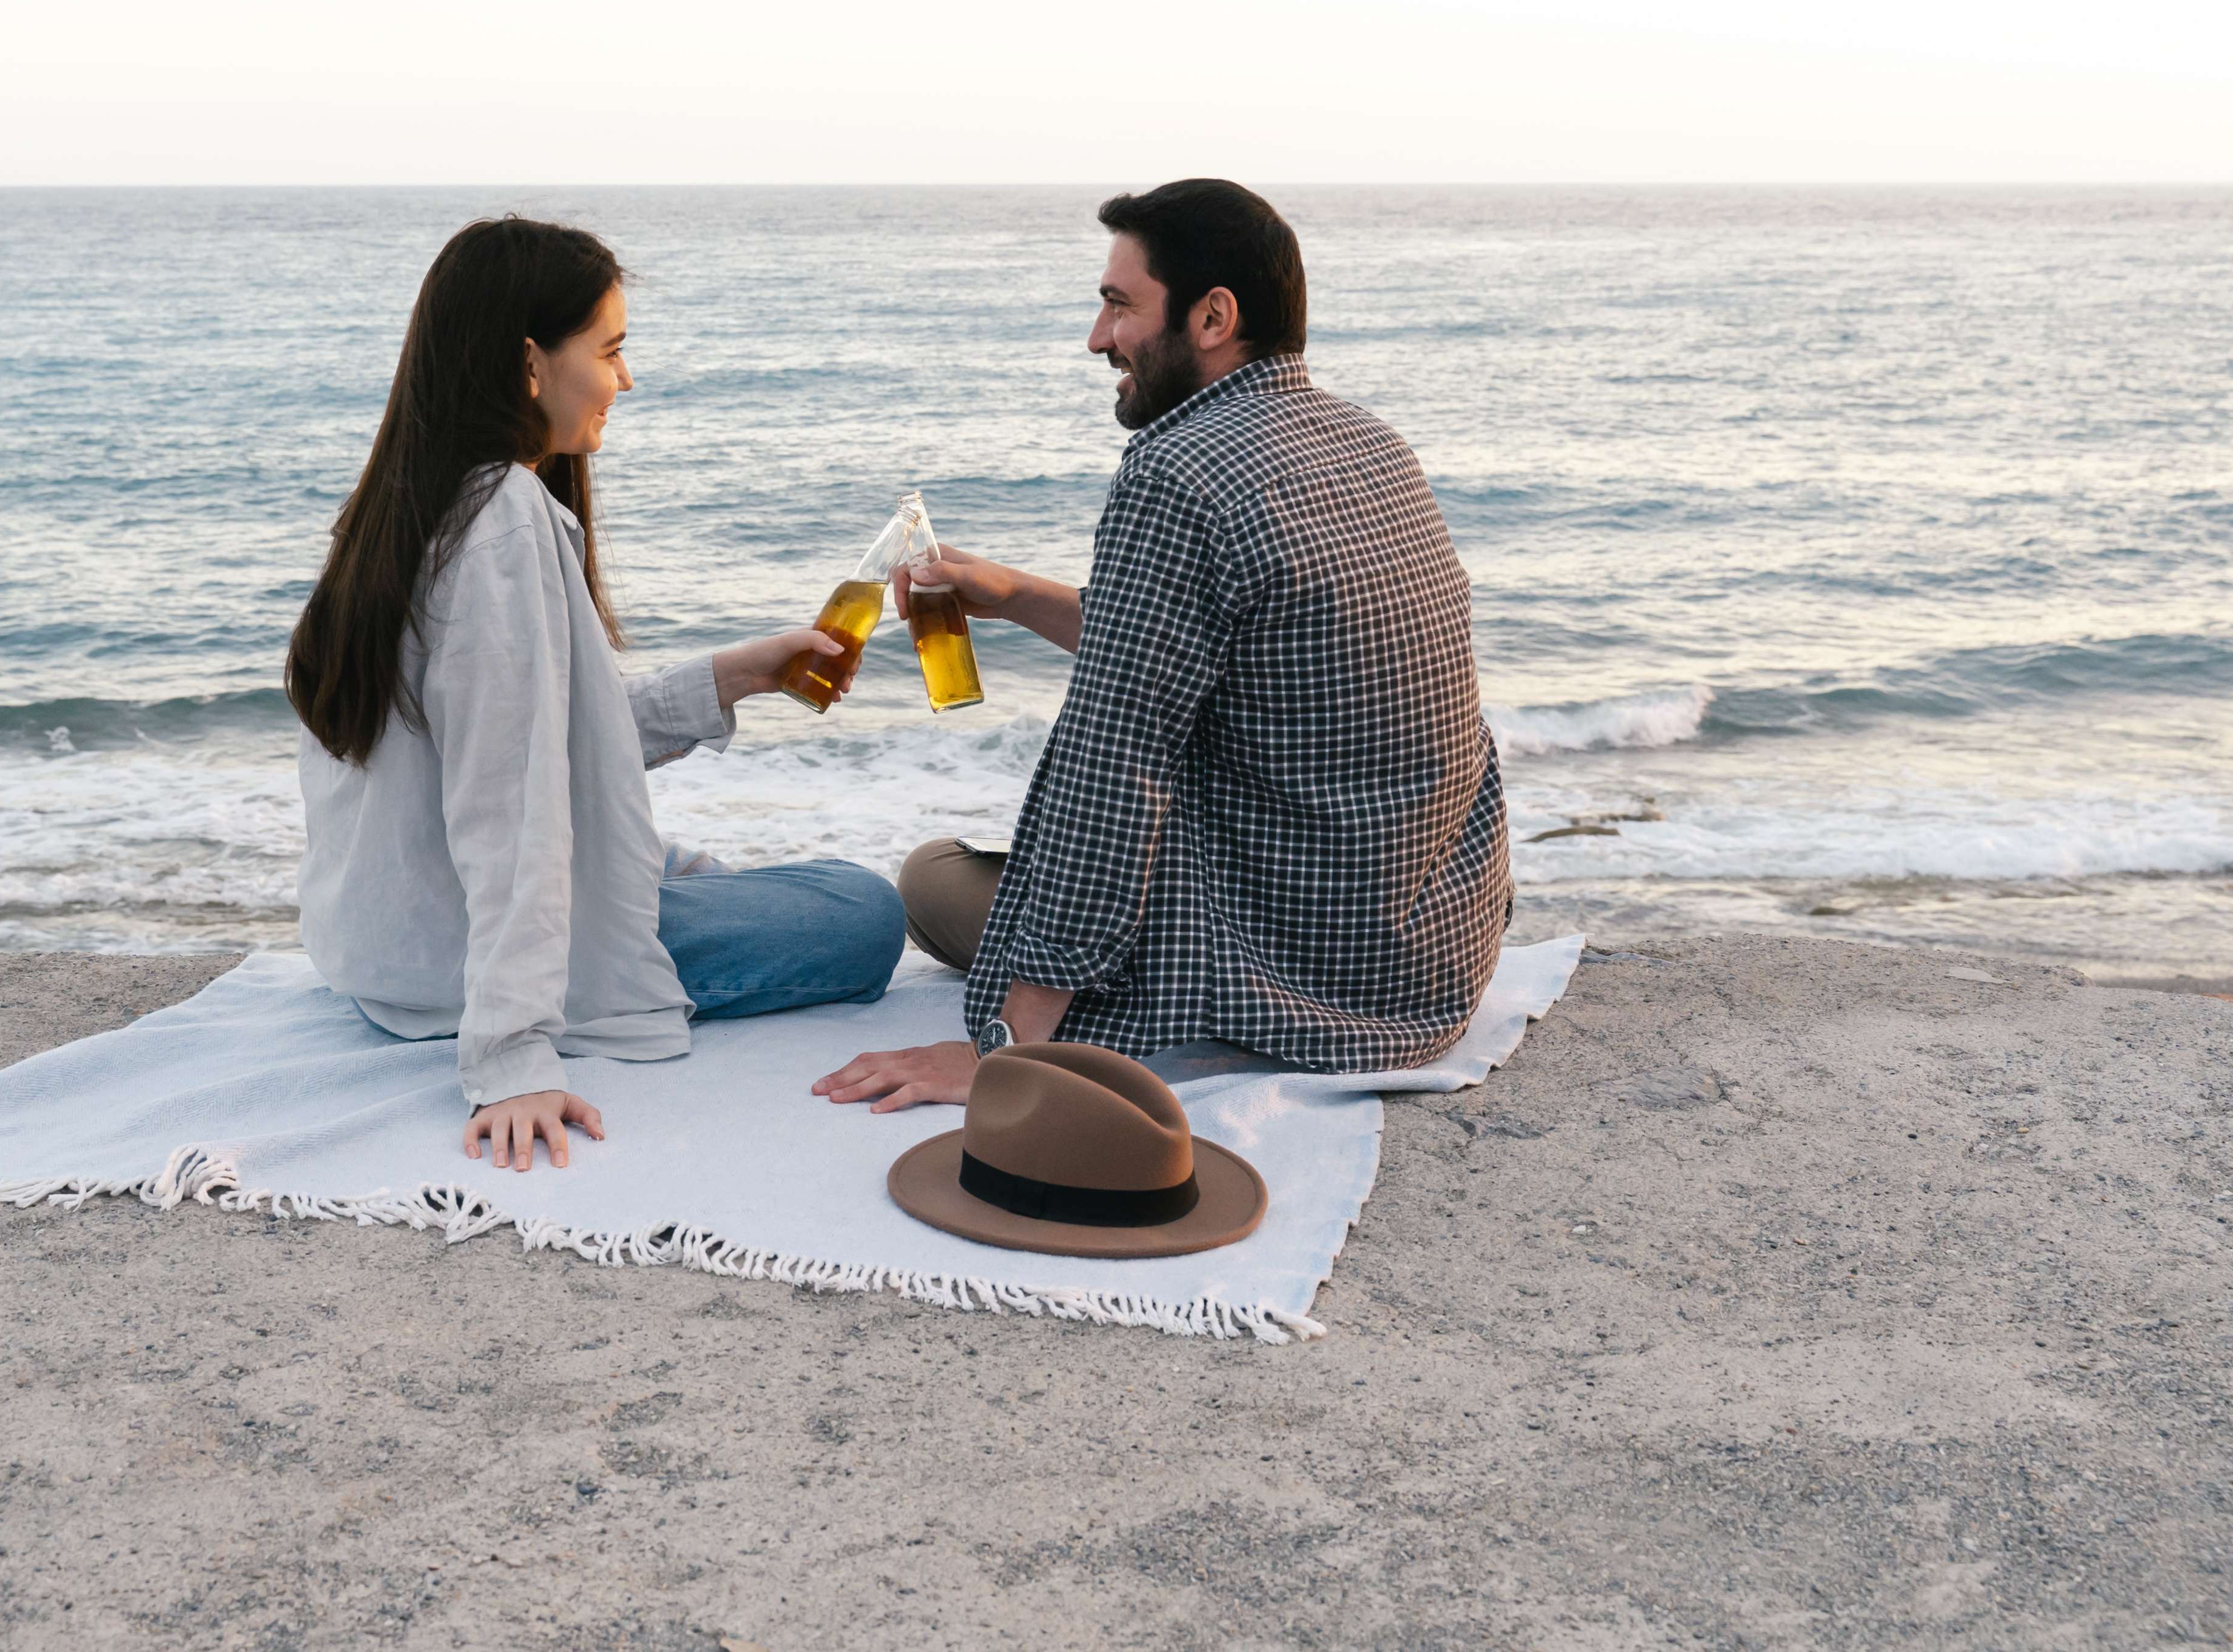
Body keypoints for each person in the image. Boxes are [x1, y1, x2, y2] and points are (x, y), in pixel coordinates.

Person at [813, 178, 1508, 1112]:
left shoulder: (1176, 472)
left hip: (1292, 966)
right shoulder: (1369, 442)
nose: (1098, 339)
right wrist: (1013, 596)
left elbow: (1113, 767)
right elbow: (1207, 650)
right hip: (1423, 950)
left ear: (1214, 316)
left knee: (932, 880)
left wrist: (1007, 1050)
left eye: (1117, 305)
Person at [285, 216, 906, 1175]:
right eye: (610, 352)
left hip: (380, 950)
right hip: (454, 971)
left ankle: (634, 894)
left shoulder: (412, 505)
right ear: (530, 362)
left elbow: (545, 736)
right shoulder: (502, 523)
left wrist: (740, 673)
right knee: (863, 910)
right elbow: (512, 806)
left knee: (680, 864)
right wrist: (513, 1055)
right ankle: (550, 983)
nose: (626, 379)